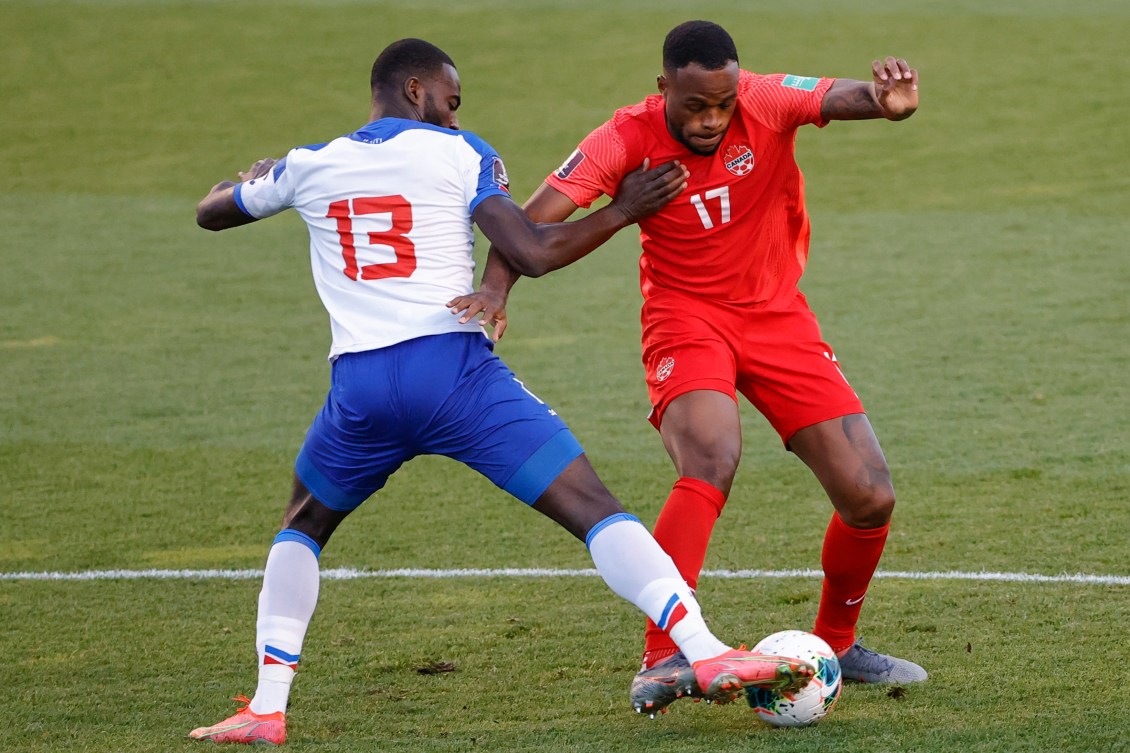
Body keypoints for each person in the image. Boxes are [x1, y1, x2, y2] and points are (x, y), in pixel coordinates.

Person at [187, 38, 817, 745]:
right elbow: (532, 252)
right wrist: (623, 208)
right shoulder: (461, 154)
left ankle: (267, 706)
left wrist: (260, 178)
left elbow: (214, 212)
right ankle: (702, 650)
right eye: (451, 103)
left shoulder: (309, 165)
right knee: (593, 508)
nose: (456, 117)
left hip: (360, 389)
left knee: (302, 525)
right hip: (452, 374)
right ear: (419, 91)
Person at [449, 20, 929, 718]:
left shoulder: (761, 98)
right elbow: (529, 223)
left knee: (869, 494)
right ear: (662, 88)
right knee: (710, 453)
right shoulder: (622, 138)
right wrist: (495, 288)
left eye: (722, 104)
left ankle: (834, 645)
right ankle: (663, 651)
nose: (710, 119)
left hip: (776, 318)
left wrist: (887, 103)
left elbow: (839, 96)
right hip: (685, 318)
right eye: (694, 106)